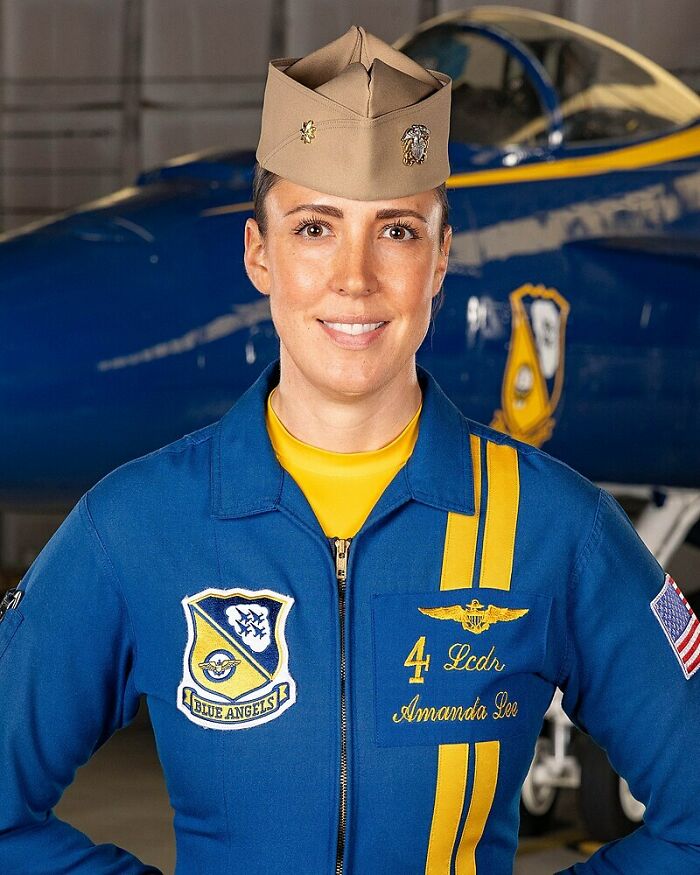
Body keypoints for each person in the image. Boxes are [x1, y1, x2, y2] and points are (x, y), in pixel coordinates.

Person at [1, 22, 699, 875]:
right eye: (315, 228)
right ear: (260, 252)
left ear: (441, 259)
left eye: (398, 231)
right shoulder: (133, 527)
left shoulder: (558, 529)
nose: (356, 278)